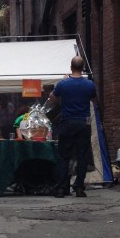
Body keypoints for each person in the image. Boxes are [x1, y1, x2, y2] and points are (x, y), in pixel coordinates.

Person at [45, 55, 96, 198]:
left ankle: (61, 188)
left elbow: (52, 98)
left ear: (71, 67)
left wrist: (63, 81)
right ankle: (79, 188)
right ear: (83, 68)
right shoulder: (89, 84)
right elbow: (93, 98)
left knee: (63, 156)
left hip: (67, 122)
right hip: (83, 123)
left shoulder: (63, 84)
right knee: (82, 156)